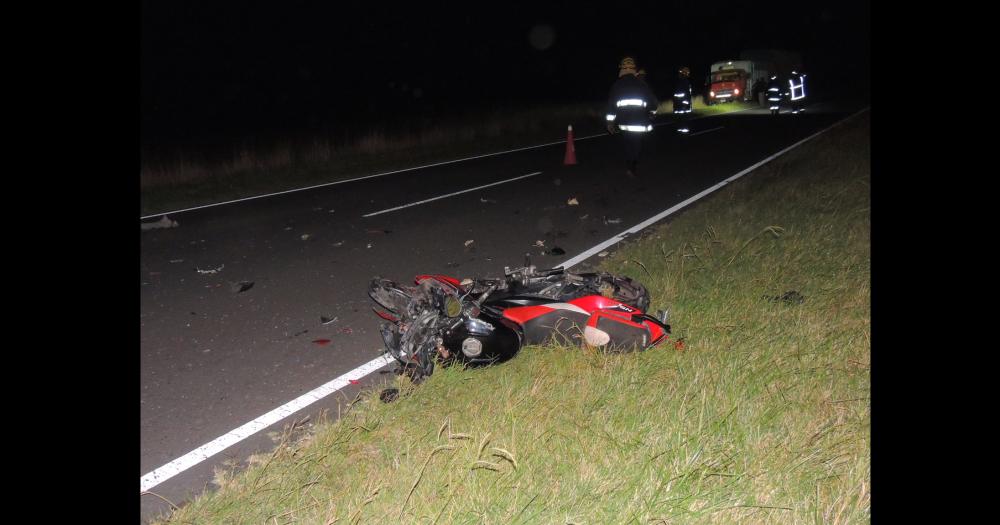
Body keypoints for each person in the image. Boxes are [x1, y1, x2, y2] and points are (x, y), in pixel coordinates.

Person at [606, 56, 659, 177]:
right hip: (639, 123)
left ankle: (630, 163)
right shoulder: (641, 84)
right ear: (634, 69)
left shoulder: (616, 85)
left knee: (628, 143)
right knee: (636, 144)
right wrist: (652, 113)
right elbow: (654, 103)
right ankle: (632, 165)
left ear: (622, 69)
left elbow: (611, 106)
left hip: (623, 124)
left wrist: (610, 123)